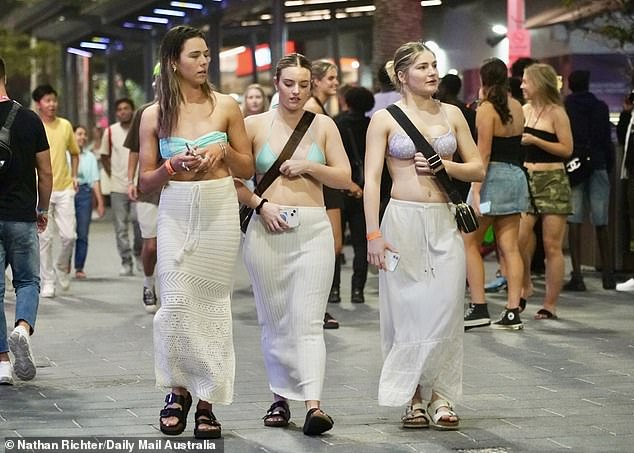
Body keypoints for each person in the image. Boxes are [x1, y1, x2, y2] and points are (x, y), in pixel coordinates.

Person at [138, 25, 253, 439]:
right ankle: (176, 390)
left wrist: (223, 150)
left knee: (212, 306)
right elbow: (144, 183)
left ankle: (207, 401)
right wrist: (172, 167)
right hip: (175, 211)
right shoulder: (154, 114)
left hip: (219, 207)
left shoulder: (226, 106)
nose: (205, 62)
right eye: (195, 56)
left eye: (207, 55)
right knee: (174, 305)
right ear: (174, 62)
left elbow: (248, 167)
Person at [364, 42, 483, 430]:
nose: (432, 72)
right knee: (407, 312)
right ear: (402, 75)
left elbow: (478, 167)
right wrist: (373, 235)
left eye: (434, 65)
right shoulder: (384, 119)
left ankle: (442, 396)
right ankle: (412, 398)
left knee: (447, 308)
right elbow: (370, 181)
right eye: (422, 67)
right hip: (402, 219)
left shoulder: (454, 114)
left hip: (444, 219)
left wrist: (446, 165)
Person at [237, 52, 351, 436]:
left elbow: (343, 177)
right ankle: (278, 399)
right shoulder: (252, 125)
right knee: (275, 320)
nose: (297, 91)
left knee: (308, 320)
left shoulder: (323, 126)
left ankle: (314, 405)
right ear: (276, 83)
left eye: (304, 85)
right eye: (289, 84)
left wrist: (310, 167)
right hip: (266, 226)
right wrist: (260, 205)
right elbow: (232, 178)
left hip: (314, 229)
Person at [462, 58, 528, 330]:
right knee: (510, 247)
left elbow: (484, 153)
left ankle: (479, 307)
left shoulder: (486, 109)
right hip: (516, 177)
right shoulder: (517, 107)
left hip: (492, 179)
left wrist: (476, 190)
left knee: (469, 243)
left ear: (483, 79)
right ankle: (513, 310)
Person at [0, 57, 52, 384]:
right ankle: (22, 327)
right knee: (28, 282)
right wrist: (42, 209)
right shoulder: (30, 119)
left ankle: (2, 364)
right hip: (20, 216)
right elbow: (45, 172)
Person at [518, 63, 573, 320]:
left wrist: (537, 140)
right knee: (519, 237)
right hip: (526, 177)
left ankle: (550, 303)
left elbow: (566, 150)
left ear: (538, 83)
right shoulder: (523, 110)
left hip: (552, 179)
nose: (522, 86)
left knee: (552, 245)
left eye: (525, 81)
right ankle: (525, 283)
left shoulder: (557, 113)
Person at [563, 70, 615, 291]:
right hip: (598, 163)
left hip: (575, 166)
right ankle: (608, 275)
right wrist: (606, 164)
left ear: (570, 85)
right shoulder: (601, 107)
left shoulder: (567, 106)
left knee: (574, 220)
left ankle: (577, 276)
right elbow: (606, 140)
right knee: (601, 221)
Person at [32, 84, 80, 298]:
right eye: (47, 100)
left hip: (64, 188)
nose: (52, 104)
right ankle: (48, 281)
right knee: (45, 238)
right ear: (38, 104)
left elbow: (75, 153)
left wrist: (75, 176)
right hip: (41, 189)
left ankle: (62, 267)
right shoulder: (34, 125)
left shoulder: (65, 125)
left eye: (54, 100)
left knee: (70, 236)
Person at [304, 60, 341, 328]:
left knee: (334, 245)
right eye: (330, 78)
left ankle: (318, 304)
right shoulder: (310, 109)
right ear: (315, 82)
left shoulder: (321, 109)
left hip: (327, 181)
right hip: (317, 184)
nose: (335, 83)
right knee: (329, 245)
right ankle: (316, 306)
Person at [333, 86, 375, 303]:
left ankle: (334, 290)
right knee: (361, 243)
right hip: (364, 189)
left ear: (346, 102)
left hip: (338, 189)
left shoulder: (336, 124)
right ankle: (358, 290)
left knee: (335, 243)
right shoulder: (372, 126)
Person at [127, 63, 160, 314]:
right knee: (151, 245)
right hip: (148, 190)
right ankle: (149, 283)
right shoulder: (145, 112)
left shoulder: (187, 111)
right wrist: (130, 180)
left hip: (176, 189)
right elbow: (135, 151)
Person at [100, 98, 142, 276]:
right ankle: (126, 261)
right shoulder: (110, 132)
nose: (123, 112)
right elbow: (104, 156)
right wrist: (113, 175)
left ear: (132, 110)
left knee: (139, 222)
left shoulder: (141, 130)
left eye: (126, 108)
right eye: (120, 109)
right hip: (118, 187)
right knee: (120, 227)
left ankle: (138, 253)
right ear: (116, 113)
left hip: (140, 185)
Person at [72, 125, 105, 279]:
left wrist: (100, 202)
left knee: (82, 233)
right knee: (68, 233)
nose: (82, 137)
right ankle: (64, 262)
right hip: (69, 193)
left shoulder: (90, 157)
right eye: (79, 134)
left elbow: (95, 181)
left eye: (84, 134)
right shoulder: (65, 154)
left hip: (85, 194)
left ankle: (79, 266)